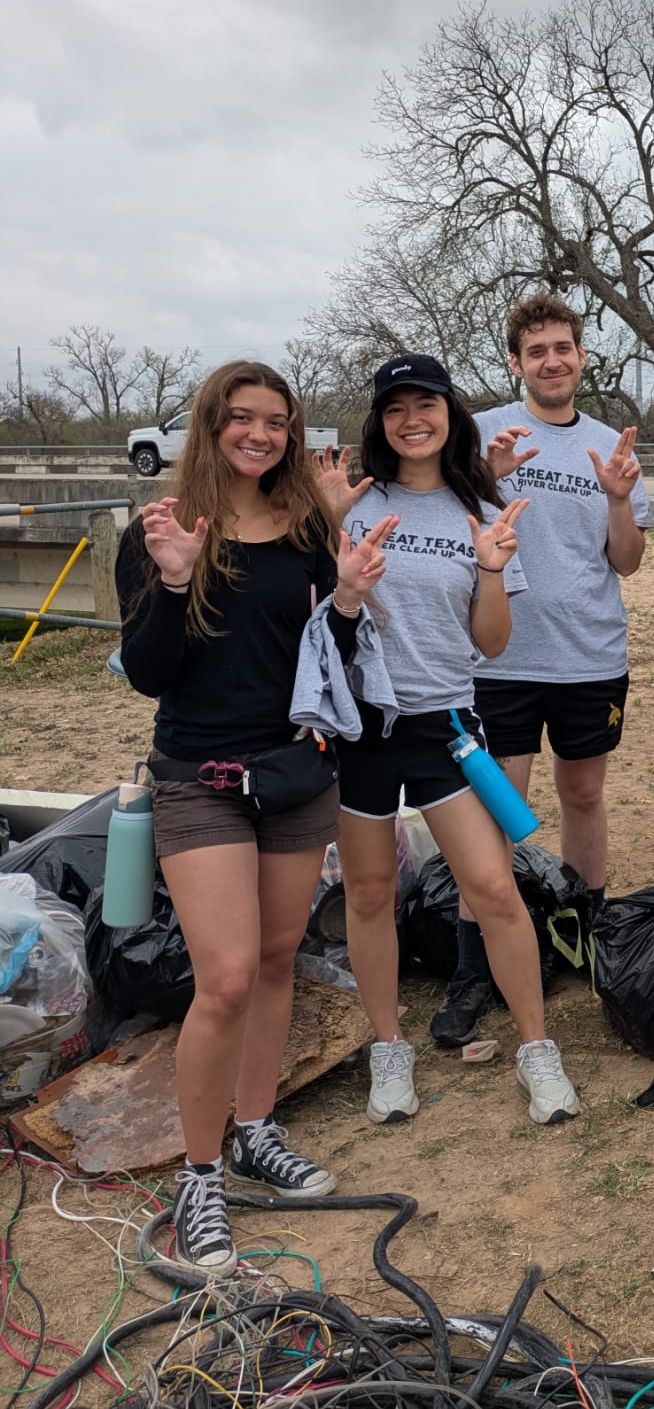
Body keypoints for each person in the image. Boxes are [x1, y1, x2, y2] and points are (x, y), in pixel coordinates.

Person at [116, 361, 392, 1273]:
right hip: (200, 776)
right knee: (226, 976)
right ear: (211, 424)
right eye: (242, 418)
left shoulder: (310, 529)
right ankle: (201, 1179)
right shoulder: (162, 526)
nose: (259, 434)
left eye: (276, 421)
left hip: (296, 771)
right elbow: (151, 673)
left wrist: (348, 595)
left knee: (278, 959)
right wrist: (169, 580)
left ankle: (255, 1129)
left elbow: (327, 654)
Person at [334, 354, 580, 1127]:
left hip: (446, 726)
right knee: (370, 894)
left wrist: (494, 572)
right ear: (379, 422)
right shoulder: (352, 504)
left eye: (427, 405)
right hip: (363, 729)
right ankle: (388, 1048)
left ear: (450, 414)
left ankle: (536, 1050)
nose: (413, 420)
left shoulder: (481, 504)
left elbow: (494, 644)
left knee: (495, 889)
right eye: (396, 407)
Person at [427, 293, 654, 1048]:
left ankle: (587, 934)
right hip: (500, 659)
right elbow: (449, 529)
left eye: (564, 348)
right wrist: (484, 481)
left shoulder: (609, 445)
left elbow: (626, 560)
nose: (552, 361)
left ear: (582, 356)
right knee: (495, 811)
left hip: (590, 654)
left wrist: (620, 499)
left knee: (583, 792)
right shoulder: (483, 434)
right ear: (517, 363)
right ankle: (471, 968)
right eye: (537, 352)